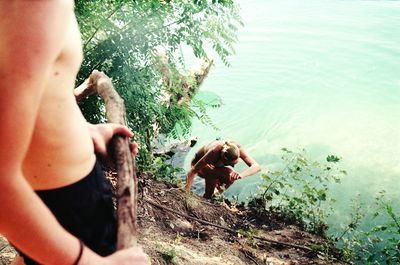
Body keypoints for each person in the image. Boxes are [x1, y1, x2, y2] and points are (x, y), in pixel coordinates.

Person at [0, 1, 149, 264]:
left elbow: (41, 89)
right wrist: (91, 263)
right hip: (62, 205)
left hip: (51, 197)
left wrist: (82, 131)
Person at [185, 140, 261, 199]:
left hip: (214, 167)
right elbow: (192, 171)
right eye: (230, 164)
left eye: (234, 163)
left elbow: (257, 167)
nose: (233, 166)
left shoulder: (236, 148)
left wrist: (240, 175)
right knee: (228, 173)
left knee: (231, 176)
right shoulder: (214, 153)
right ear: (223, 159)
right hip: (199, 166)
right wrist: (186, 192)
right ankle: (208, 196)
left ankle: (216, 194)